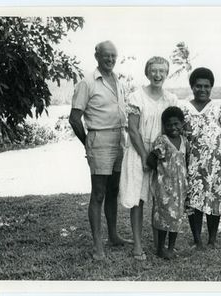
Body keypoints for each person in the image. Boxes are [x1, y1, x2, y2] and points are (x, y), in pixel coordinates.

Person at [69, 40, 131, 260]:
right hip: (99, 138)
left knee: (114, 190)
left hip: (119, 138)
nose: (111, 60)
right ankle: (98, 245)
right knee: (98, 193)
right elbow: (74, 118)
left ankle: (113, 236)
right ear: (97, 56)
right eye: (106, 56)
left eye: (114, 56)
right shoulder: (87, 82)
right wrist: (87, 142)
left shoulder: (118, 80)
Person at [119, 56, 178, 260]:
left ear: (167, 73)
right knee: (138, 199)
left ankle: (158, 244)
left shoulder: (171, 99)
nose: (157, 75)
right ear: (147, 72)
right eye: (153, 70)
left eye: (162, 71)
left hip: (162, 154)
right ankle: (137, 245)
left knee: (160, 199)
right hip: (138, 152)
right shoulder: (136, 97)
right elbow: (133, 131)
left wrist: (162, 155)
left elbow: (173, 130)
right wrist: (145, 156)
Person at [181, 67, 221, 249]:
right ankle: (197, 239)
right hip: (191, 163)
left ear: (211, 87)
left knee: (214, 199)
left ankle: (212, 239)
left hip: (217, 164)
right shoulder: (183, 109)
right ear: (192, 87)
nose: (202, 90)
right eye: (198, 86)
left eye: (206, 86)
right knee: (193, 201)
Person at [147, 106, 189, 259]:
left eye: (176, 124)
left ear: (182, 124)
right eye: (169, 125)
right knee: (164, 217)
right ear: (164, 125)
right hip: (165, 187)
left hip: (180, 188)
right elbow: (151, 159)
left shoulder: (184, 140)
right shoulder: (162, 140)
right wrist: (161, 171)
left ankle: (171, 248)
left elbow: (185, 161)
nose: (173, 127)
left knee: (176, 217)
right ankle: (160, 248)